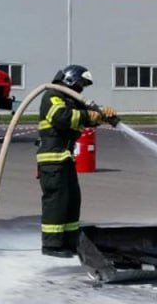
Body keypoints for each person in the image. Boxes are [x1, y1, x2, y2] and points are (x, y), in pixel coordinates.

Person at [36, 64, 116, 258]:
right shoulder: (52, 96)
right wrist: (89, 115)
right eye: (80, 84)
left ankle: (70, 241)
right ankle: (52, 245)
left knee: (72, 200)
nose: (81, 89)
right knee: (56, 201)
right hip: (52, 158)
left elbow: (86, 117)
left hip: (65, 158)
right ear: (70, 81)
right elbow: (61, 117)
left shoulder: (69, 99)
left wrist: (104, 116)